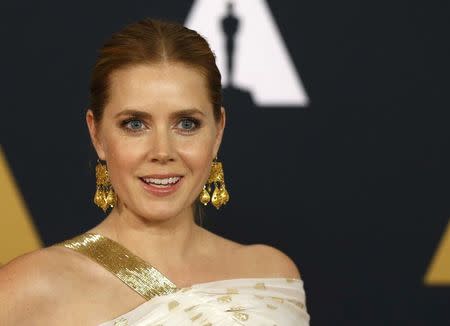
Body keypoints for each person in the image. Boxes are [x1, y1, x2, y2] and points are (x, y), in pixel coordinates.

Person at [0, 19, 309, 325]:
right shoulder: (29, 288)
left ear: (217, 133)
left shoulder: (272, 276)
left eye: (186, 124)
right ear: (97, 135)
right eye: (135, 124)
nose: (162, 152)